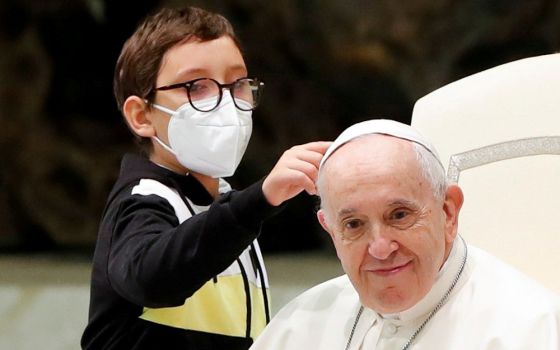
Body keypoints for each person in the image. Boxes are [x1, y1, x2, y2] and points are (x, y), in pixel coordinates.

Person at [81, 6, 329, 350]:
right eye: (196, 86)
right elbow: (152, 279)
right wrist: (260, 200)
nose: (225, 102)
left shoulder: (224, 206)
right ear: (142, 116)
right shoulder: (142, 200)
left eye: (238, 84)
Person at [250, 119, 560, 350]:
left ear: (448, 212)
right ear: (330, 230)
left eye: (399, 216)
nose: (381, 248)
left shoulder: (529, 328)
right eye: (354, 224)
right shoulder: (299, 324)